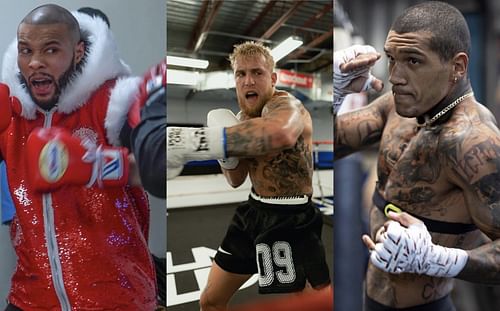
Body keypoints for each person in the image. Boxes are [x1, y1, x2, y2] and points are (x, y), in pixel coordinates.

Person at [334, 1, 500, 310]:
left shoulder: (474, 142)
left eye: (413, 61)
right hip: (370, 298)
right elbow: (329, 146)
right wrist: (333, 96)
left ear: (458, 67)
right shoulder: (396, 109)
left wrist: (441, 261)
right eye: (392, 59)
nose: (395, 76)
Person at [0, 4, 158, 310]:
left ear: (78, 52)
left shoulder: (114, 101)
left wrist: (94, 166)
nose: (34, 62)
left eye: (50, 50)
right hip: (30, 297)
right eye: (26, 50)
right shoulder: (14, 113)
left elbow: (159, 168)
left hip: (118, 297)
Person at [167, 41, 331, 310]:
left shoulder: (287, 106)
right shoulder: (238, 120)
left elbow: (281, 133)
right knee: (210, 301)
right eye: (240, 74)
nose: (248, 81)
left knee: (312, 304)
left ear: (273, 78)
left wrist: (195, 141)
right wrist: (225, 152)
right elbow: (235, 180)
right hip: (252, 213)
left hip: (292, 218)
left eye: (257, 72)